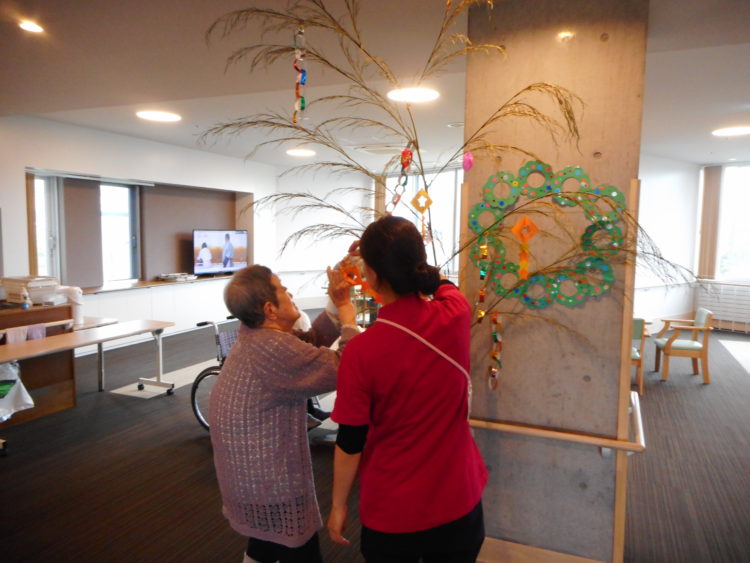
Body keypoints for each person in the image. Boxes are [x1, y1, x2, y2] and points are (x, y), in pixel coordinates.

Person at [327, 216, 488, 562]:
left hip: (395, 510)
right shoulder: (456, 312)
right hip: (460, 499)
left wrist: (338, 505)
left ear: (370, 276)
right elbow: (441, 283)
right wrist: (394, 255)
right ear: (419, 261)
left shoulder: (361, 352)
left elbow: (351, 441)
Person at [209, 263, 359, 563]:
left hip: (248, 477)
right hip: (270, 483)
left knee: (266, 540)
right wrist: (347, 311)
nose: (290, 293)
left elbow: (309, 341)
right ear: (270, 309)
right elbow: (347, 365)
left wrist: (336, 295)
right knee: (294, 544)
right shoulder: (272, 348)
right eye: (282, 289)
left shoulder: (256, 336)